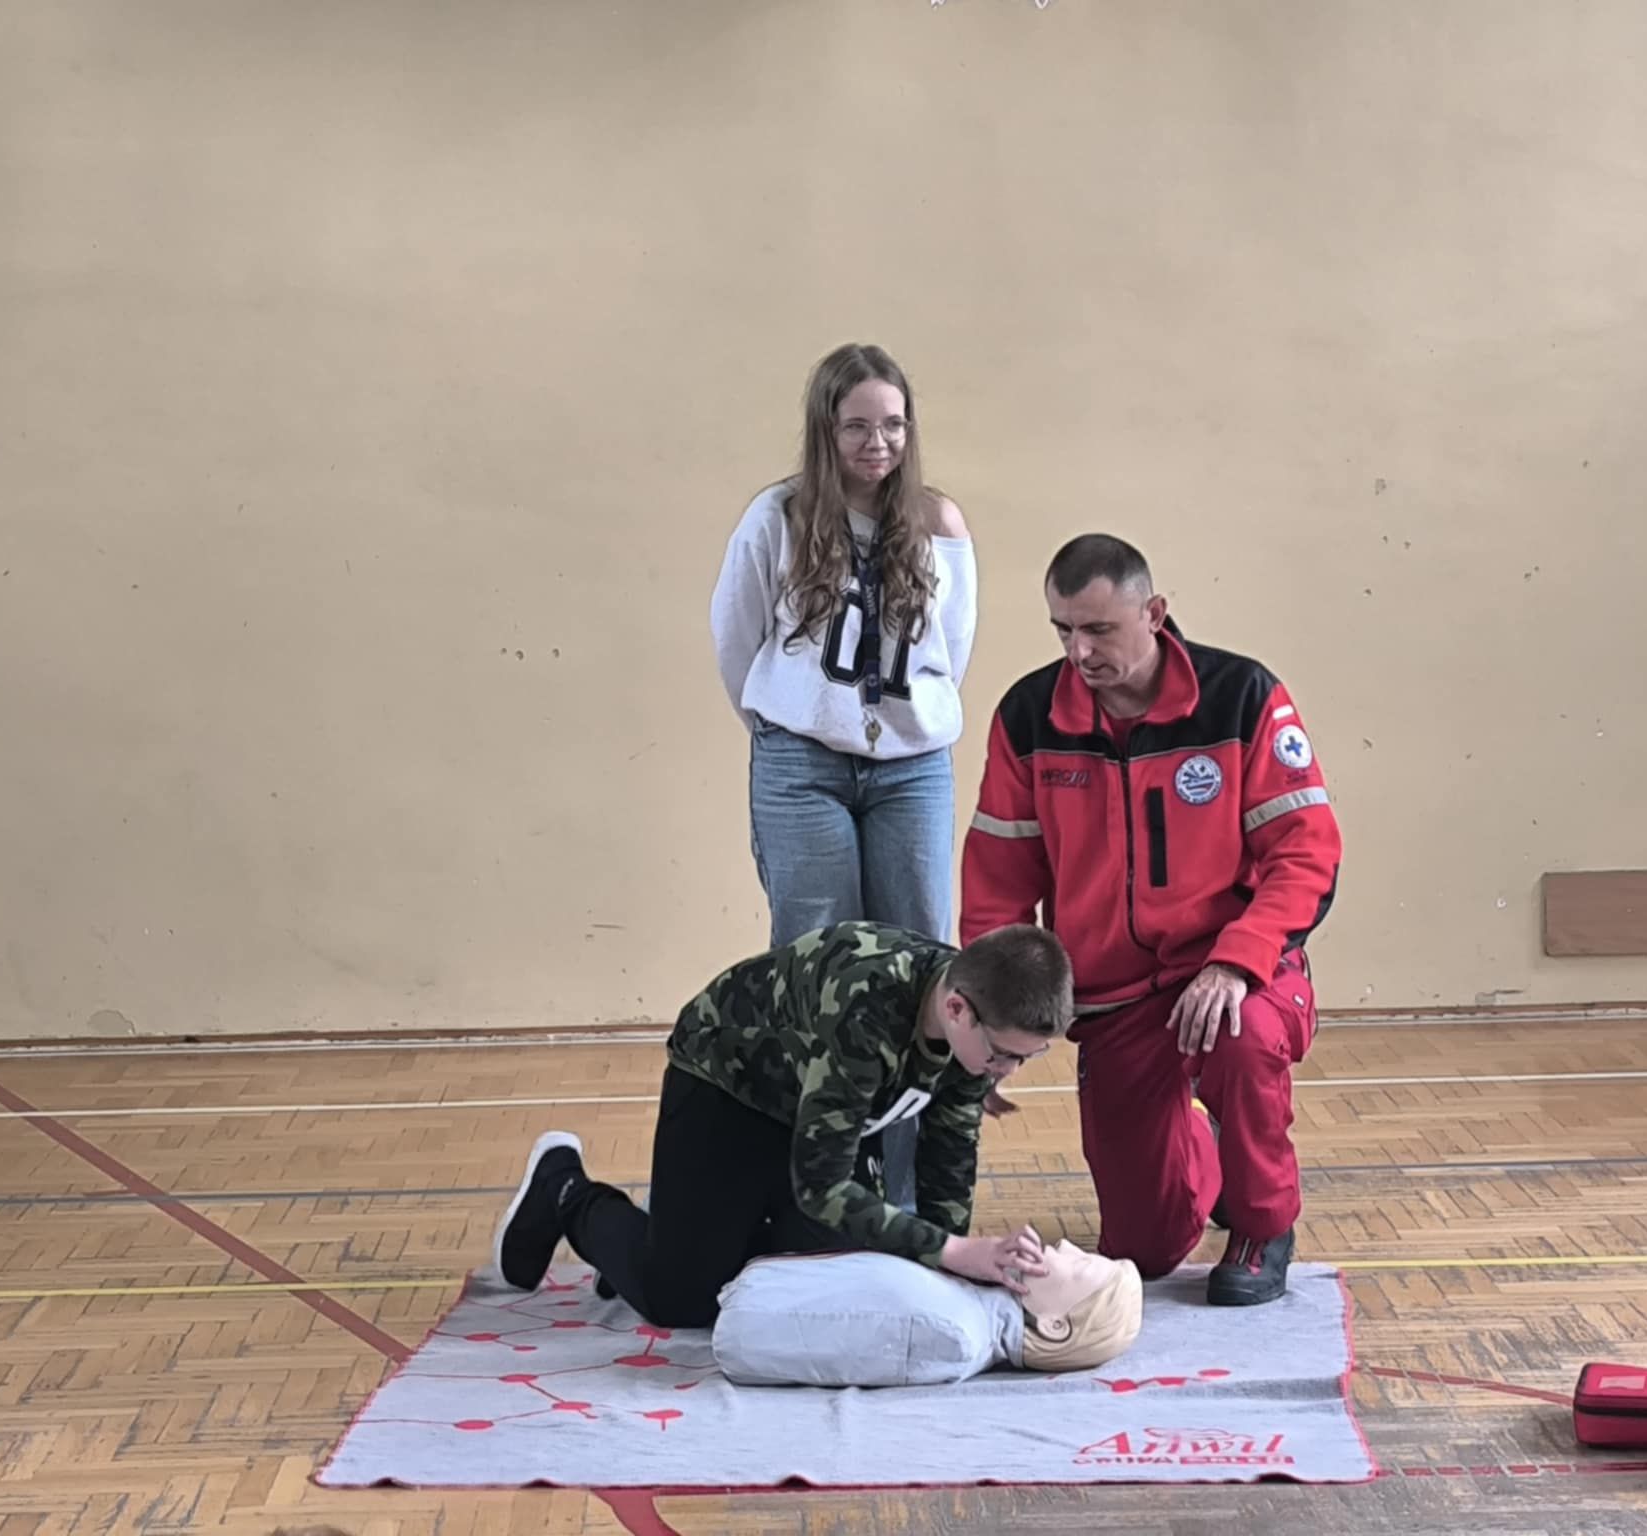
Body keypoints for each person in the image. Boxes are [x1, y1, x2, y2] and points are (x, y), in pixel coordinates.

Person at [959, 534, 1342, 1307]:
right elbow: (999, 882)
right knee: (1146, 1250)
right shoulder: (1030, 717)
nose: (1079, 652)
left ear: (1155, 614)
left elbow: (1305, 853)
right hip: (1114, 996)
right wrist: (994, 1021)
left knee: (1242, 1038)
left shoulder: (1243, 697)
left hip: (1234, 972)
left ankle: (1263, 1226)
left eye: (1099, 630)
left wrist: (1237, 961)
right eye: (1064, 630)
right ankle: (1206, 1148)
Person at [486, 920, 1073, 1327]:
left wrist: (957, 1273)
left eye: (1027, 1058)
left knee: (839, 1277)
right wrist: (951, 1250)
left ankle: (662, 1244)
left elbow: (949, 1154)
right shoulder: (867, 1006)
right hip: (728, 1087)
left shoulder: (978, 1031)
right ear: (956, 1009)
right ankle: (567, 1192)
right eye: (1005, 1055)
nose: (1008, 1072)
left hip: (822, 1111)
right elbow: (821, 1187)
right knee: (682, 1302)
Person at [709, 342, 977, 1204]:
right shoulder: (779, 517)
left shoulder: (938, 524)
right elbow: (735, 638)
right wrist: (789, 725)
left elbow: (950, 653)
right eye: (858, 426)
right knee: (816, 966)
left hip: (910, 770)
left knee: (925, 966)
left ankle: (904, 1197)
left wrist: (899, 730)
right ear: (825, 428)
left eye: (894, 425)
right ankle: (815, 1191)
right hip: (802, 766)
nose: (878, 443)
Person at [709, 1237, 1145, 1386]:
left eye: (1080, 1265)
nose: (1066, 1245)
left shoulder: (951, 1335)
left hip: (745, 1305)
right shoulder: (968, 1306)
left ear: (1053, 1326)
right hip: (755, 1281)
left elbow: (744, 1331)